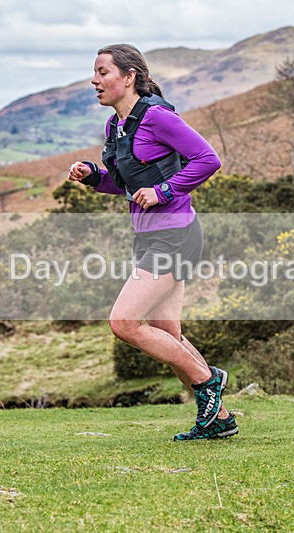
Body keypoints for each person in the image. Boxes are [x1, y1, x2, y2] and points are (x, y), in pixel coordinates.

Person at [67, 44, 237, 441]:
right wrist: (93, 175)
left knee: (124, 322)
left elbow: (207, 159)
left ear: (128, 77)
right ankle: (220, 419)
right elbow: (122, 182)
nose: (94, 80)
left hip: (175, 233)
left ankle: (208, 381)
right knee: (166, 332)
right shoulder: (116, 127)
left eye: (102, 72)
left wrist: (163, 190)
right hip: (147, 236)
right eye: (94, 73)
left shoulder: (157, 117)